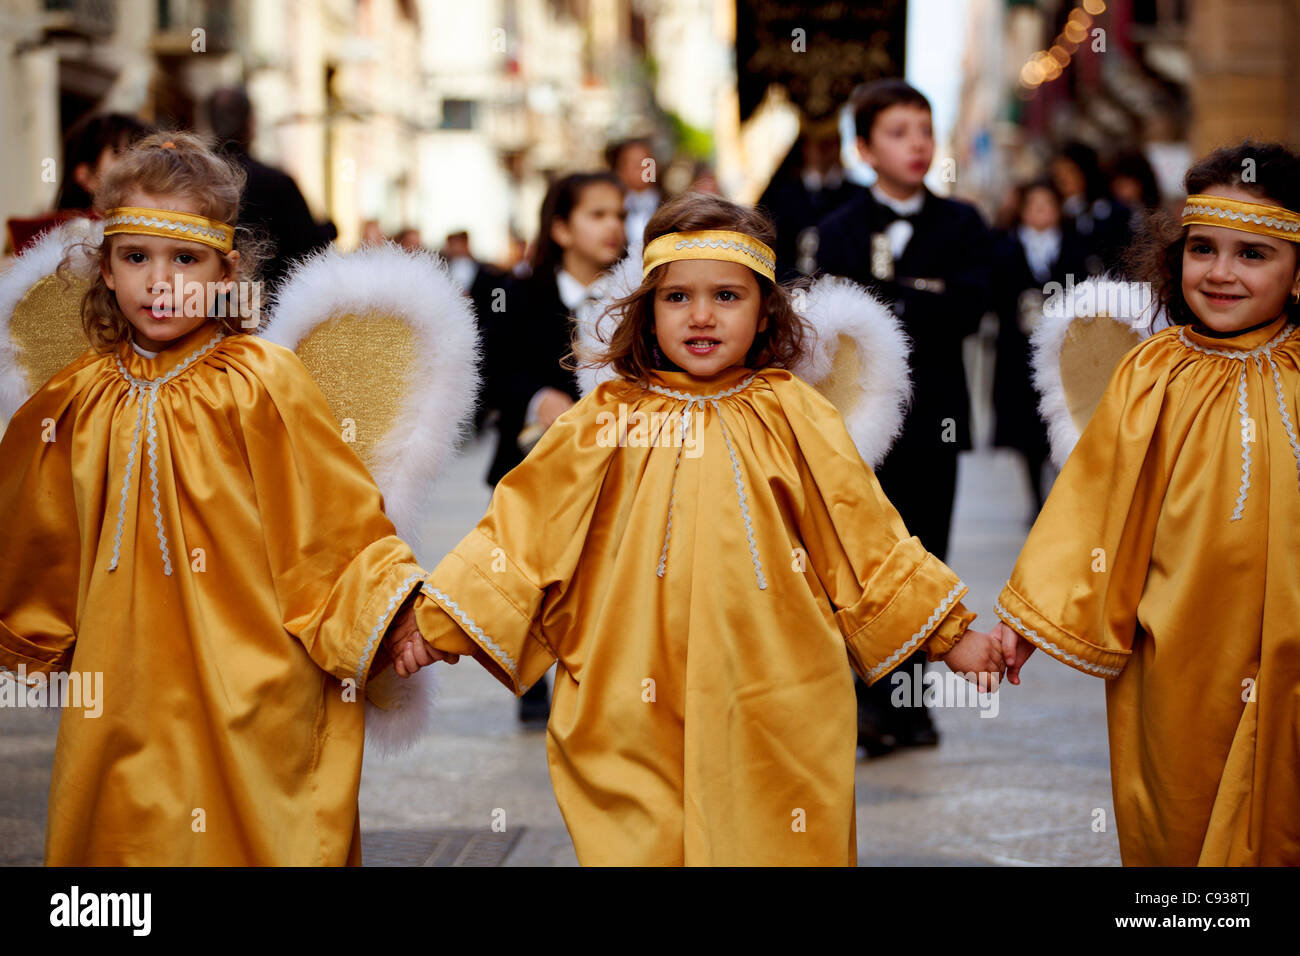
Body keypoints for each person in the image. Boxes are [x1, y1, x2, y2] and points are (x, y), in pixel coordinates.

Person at [386, 192, 1005, 865]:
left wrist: (949, 636)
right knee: (641, 839)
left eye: (727, 296)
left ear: (765, 308)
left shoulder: (795, 414)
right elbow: (522, 527)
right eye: (677, 297)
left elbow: (864, 535)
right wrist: (442, 623)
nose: (701, 316)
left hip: (776, 687)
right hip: (626, 686)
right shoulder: (606, 418)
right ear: (647, 308)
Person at [0, 132, 453, 865]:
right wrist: (31, 635)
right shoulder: (77, 400)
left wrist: (389, 614)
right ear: (104, 270)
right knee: (125, 841)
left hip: (254, 679)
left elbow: (330, 518)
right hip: (121, 686)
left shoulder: (261, 383)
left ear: (227, 270)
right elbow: (37, 530)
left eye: (186, 259)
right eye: (136, 257)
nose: (161, 280)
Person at [994, 140, 1300, 865]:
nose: (1221, 273)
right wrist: (1031, 618)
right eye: (1204, 251)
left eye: (1252, 255)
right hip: (1178, 652)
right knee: (1180, 821)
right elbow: (1093, 498)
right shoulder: (1153, 372)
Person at [812, 79, 994, 754]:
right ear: (864, 148)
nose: (916, 143)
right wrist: (923, 296)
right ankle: (868, 704)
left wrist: (891, 299)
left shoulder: (963, 224)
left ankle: (913, 706)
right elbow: (838, 322)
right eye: (897, 131)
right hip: (859, 424)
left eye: (924, 128)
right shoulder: (835, 230)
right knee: (862, 561)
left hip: (936, 419)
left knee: (926, 558)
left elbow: (970, 308)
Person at [482, 171, 626, 722]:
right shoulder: (517, 293)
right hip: (531, 461)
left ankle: (593, 671)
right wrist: (535, 396)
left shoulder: (633, 298)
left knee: (599, 569)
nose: (612, 226)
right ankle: (531, 673)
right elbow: (492, 370)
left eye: (618, 214)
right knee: (534, 567)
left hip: (610, 462)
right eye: (597, 215)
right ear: (562, 229)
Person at [991, 179, 1089, 513]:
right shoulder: (1004, 247)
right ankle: (1035, 499)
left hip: (1064, 352)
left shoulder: (1075, 247)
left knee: (1061, 421)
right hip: (1017, 352)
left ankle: (1060, 495)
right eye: (1034, 206)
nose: (1041, 212)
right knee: (1025, 428)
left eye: (1048, 205)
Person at [208, 86, 331, 295]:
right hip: (266, 308)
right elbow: (310, 246)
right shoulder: (277, 182)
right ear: (251, 124)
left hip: (204, 306)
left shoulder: (189, 181)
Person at [7, 112, 150, 255]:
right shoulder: (46, 242)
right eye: (120, 154)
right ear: (87, 176)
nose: (137, 165)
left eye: (144, 155)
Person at [758, 118, 867, 282]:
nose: (823, 151)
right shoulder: (781, 196)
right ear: (805, 147)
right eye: (817, 143)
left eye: (829, 143)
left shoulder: (858, 195)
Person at [607, 137, 661, 258]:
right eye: (636, 165)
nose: (644, 169)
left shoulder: (671, 204)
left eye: (648, 163)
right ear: (620, 170)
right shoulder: (613, 207)